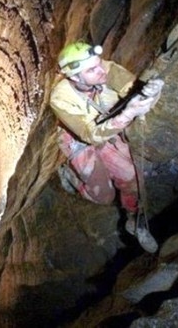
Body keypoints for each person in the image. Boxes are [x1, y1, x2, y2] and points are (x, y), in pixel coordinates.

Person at [50, 41, 164, 253]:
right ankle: (72, 177)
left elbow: (134, 90)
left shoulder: (107, 70)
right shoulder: (60, 97)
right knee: (104, 197)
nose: (101, 70)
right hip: (78, 139)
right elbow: (89, 134)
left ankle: (134, 219)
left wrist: (150, 94)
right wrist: (127, 114)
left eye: (98, 63)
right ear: (75, 77)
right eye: (92, 70)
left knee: (131, 175)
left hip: (108, 128)